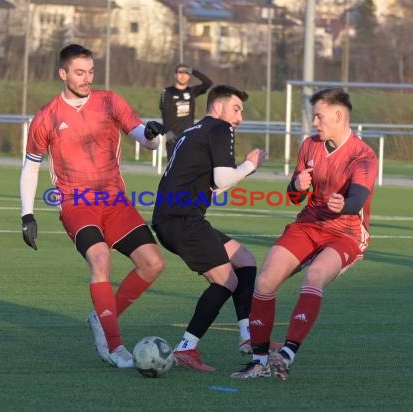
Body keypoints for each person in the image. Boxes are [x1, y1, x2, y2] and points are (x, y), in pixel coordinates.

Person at [19, 44, 166, 369]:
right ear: (63, 73)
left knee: (153, 264)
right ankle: (115, 347)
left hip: (115, 201)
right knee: (100, 257)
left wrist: (153, 136)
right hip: (76, 204)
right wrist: (27, 213)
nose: (87, 79)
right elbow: (30, 166)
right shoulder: (46, 116)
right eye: (79, 72)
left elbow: (144, 136)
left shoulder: (110, 101)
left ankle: (102, 316)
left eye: (91, 72)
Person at [231, 87, 378, 380]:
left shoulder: (363, 156)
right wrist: (296, 186)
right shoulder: (309, 146)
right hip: (308, 225)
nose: (315, 123)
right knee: (266, 279)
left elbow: (358, 201)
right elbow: (294, 198)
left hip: (345, 232)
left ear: (338, 116)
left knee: (315, 276)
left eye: (319, 116)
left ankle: (286, 353)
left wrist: (344, 204)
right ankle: (259, 362)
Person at [151, 85, 267, 372]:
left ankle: (247, 336)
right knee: (226, 281)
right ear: (217, 107)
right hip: (182, 219)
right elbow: (225, 178)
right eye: (236, 109)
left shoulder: (194, 130)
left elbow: (209, 181)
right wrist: (249, 166)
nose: (239, 118)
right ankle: (186, 348)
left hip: (175, 217)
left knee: (244, 259)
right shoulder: (220, 128)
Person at [159, 63, 213, 158]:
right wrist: (168, 132)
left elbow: (208, 83)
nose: (183, 76)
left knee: (189, 169)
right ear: (175, 75)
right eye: (180, 72)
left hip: (189, 137)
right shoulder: (167, 92)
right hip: (173, 137)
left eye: (186, 73)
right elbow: (164, 114)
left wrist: (193, 71)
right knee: (173, 169)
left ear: (189, 75)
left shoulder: (191, 91)